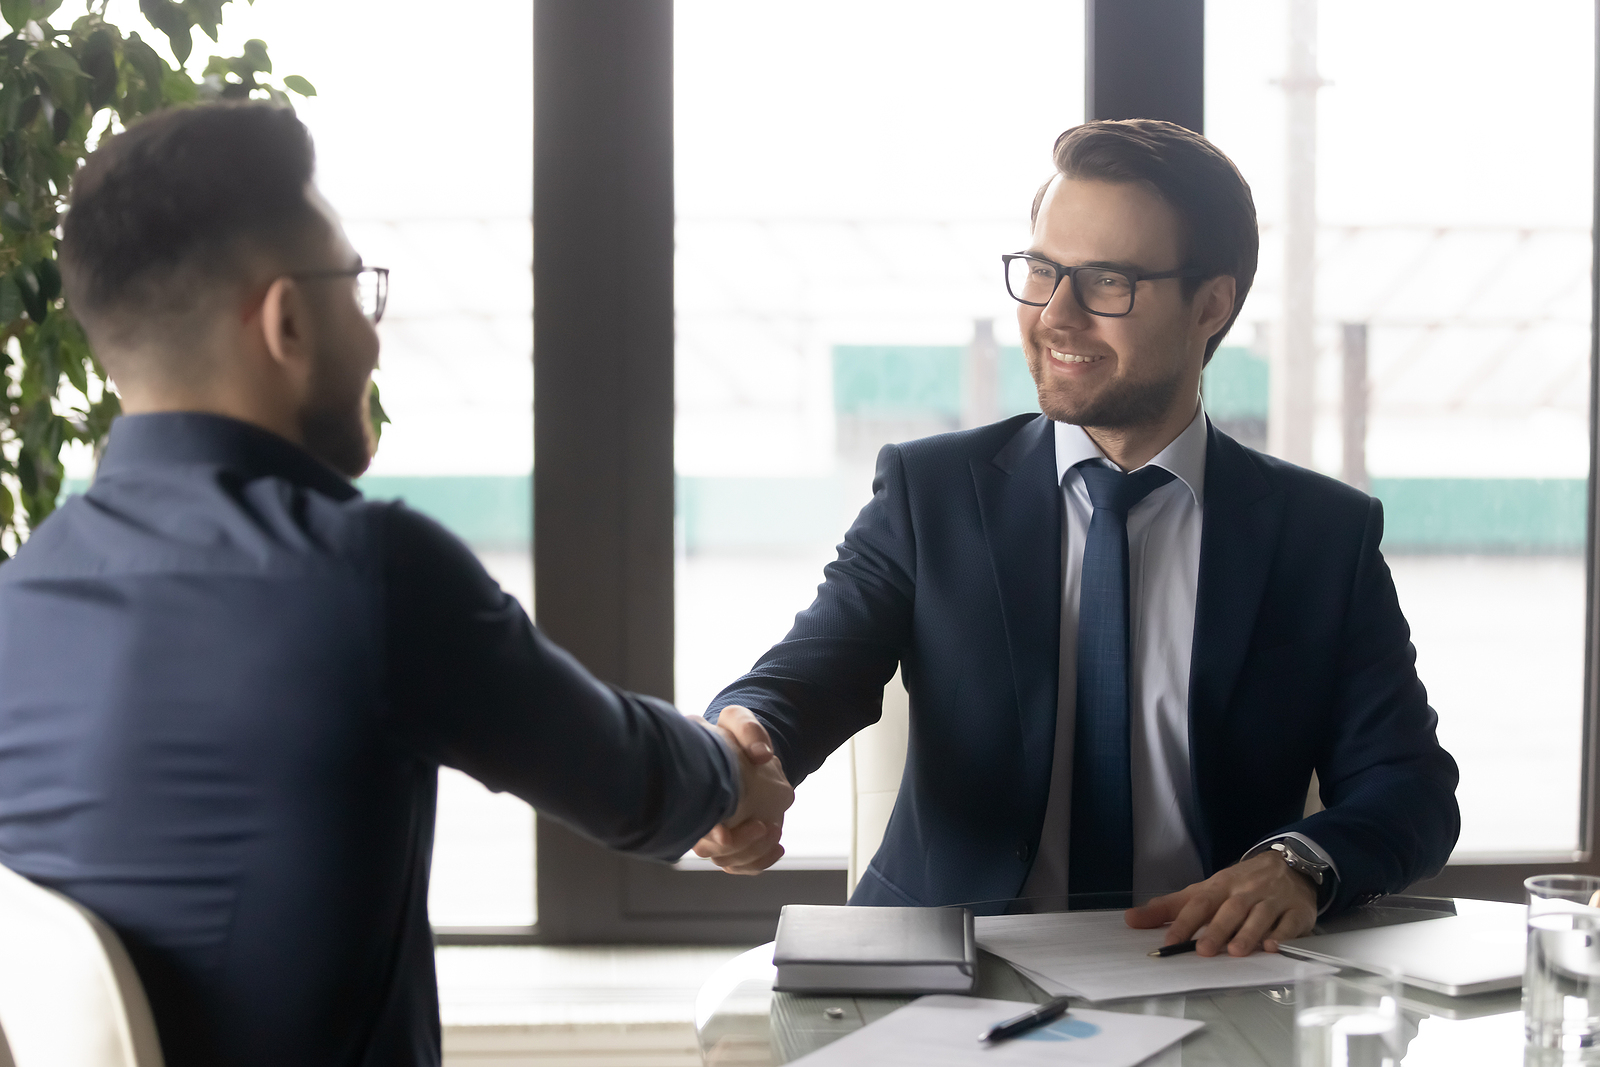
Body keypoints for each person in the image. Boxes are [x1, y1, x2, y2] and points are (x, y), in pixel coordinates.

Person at [0, 103, 790, 1067]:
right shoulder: (363, 574)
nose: (374, 338)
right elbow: (628, 779)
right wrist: (730, 770)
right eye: (356, 289)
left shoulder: (24, 589)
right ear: (287, 318)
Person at [696, 119, 1459, 957]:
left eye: (1106, 282)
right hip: (952, 979)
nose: (1055, 316)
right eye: (1042, 272)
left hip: (1206, 973)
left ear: (1211, 303)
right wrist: (740, 754)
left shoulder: (1322, 537)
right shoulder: (933, 492)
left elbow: (1410, 788)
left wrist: (1299, 863)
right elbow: (807, 678)